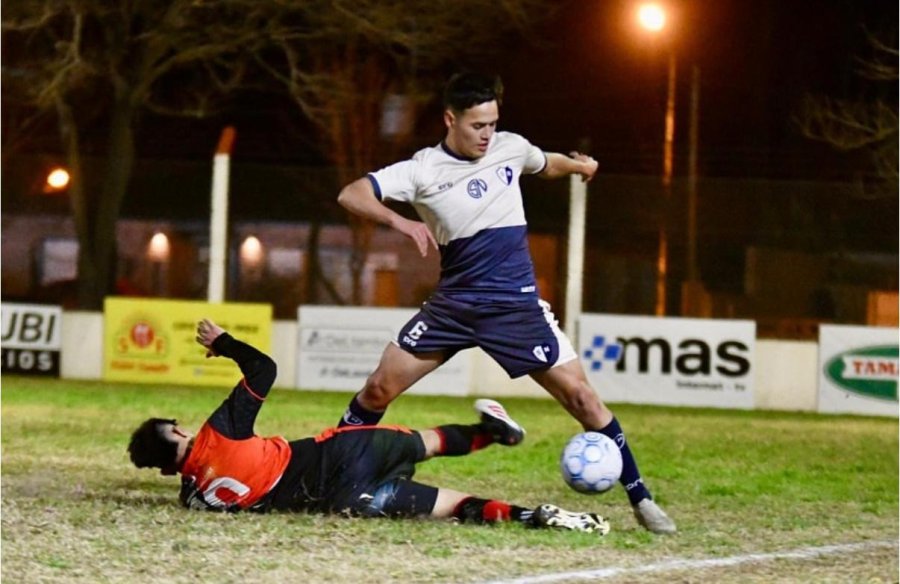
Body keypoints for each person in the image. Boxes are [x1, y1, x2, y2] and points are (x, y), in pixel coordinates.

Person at [336, 72, 676, 534]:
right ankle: (334, 470)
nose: (487, 135)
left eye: (493, 124)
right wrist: (402, 223)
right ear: (450, 119)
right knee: (378, 389)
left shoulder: (510, 148)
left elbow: (543, 163)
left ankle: (642, 499)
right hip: (453, 306)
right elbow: (351, 193)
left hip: (515, 308)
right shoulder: (422, 170)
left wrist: (578, 167)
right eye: (477, 125)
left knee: (582, 397)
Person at [127, 319, 610, 534]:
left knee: (454, 507)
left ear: (167, 472)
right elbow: (264, 371)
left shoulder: (194, 500)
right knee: (428, 444)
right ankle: (493, 433)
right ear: (180, 433)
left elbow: (193, 482)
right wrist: (226, 343)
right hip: (345, 455)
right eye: (179, 427)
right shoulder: (217, 432)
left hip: (346, 502)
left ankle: (532, 517)